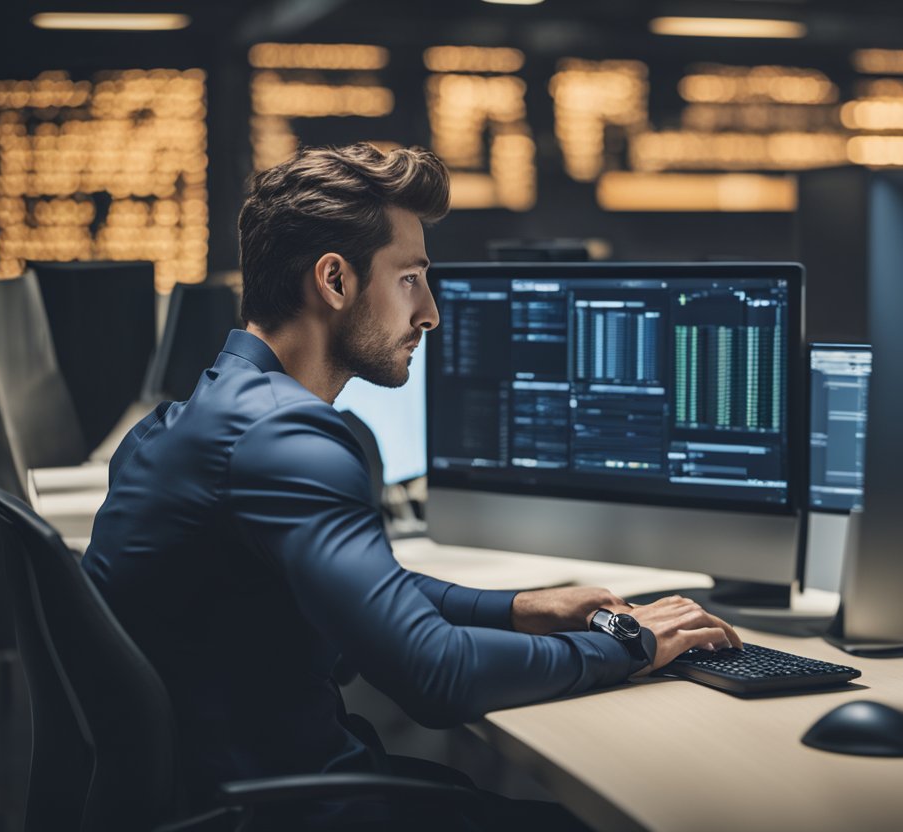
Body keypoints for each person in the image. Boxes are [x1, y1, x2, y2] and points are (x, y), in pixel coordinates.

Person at [82, 143, 740, 830]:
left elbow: (372, 591)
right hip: (299, 810)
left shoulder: (189, 420)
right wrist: (632, 644)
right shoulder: (288, 439)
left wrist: (522, 606)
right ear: (334, 280)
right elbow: (437, 677)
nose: (428, 312)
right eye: (410, 279)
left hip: (245, 795)